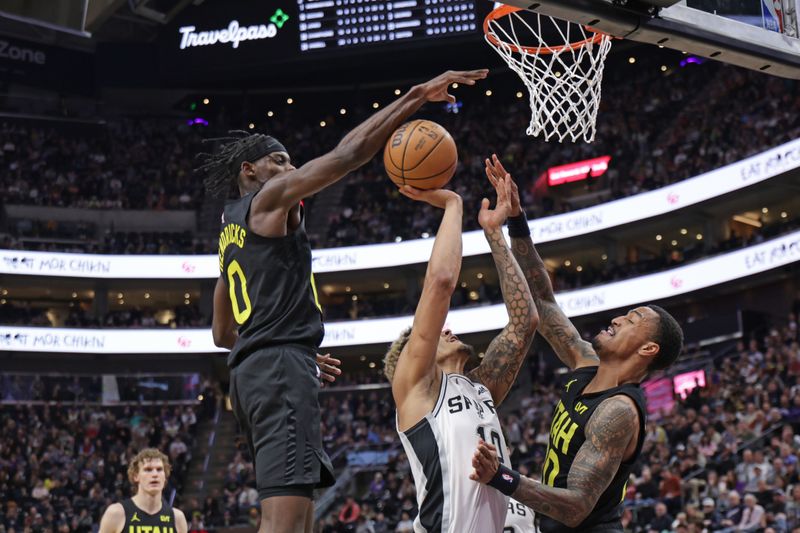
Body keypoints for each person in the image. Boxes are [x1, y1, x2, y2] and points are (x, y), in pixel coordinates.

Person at [199, 68, 488, 533]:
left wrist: (288, 346)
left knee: (300, 518)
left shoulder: (228, 229)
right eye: (279, 161)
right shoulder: (269, 200)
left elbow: (221, 334)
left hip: (256, 376)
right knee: (285, 526)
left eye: (291, 163)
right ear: (249, 171)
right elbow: (348, 154)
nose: (290, 171)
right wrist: (415, 94)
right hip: (278, 374)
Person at [470, 156, 684, 533]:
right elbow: (544, 301)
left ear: (648, 349)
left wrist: (500, 478)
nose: (618, 318)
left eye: (632, 320)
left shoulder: (618, 411)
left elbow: (576, 508)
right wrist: (516, 221)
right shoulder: (585, 361)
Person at [384, 174, 539, 532]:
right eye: (436, 333)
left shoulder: (480, 388)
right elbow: (440, 282)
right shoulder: (418, 389)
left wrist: (494, 234)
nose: (447, 329)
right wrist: (453, 204)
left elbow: (525, 322)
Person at [98, 448, 188, 533]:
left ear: (165, 477)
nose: (155, 474)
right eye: (148, 469)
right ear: (136, 476)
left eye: (159, 469)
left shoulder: (177, 518)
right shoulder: (116, 514)